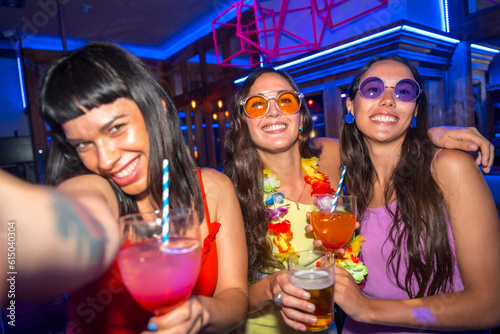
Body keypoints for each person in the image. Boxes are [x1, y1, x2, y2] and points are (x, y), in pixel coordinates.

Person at [223, 66, 496, 333]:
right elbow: (223, 297)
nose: (274, 111)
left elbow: (384, 138)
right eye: (257, 105)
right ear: (242, 119)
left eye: (285, 100)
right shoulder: (230, 190)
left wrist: (430, 134)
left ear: (301, 112)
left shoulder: (330, 161)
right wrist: (272, 287)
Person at [37, 41, 248, 334]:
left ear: (159, 112)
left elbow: (236, 297)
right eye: (84, 144)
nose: (106, 160)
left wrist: (201, 313)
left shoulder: (215, 189)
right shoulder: (96, 187)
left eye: (115, 128)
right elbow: (75, 206)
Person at [331, 54, 500, 333]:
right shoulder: (345, 177)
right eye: (373, 89)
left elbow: (491, 303)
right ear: (351, 104)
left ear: (416, 110)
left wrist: (368, 309)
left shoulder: (449, 168)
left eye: (404, 92)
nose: (388, 100)